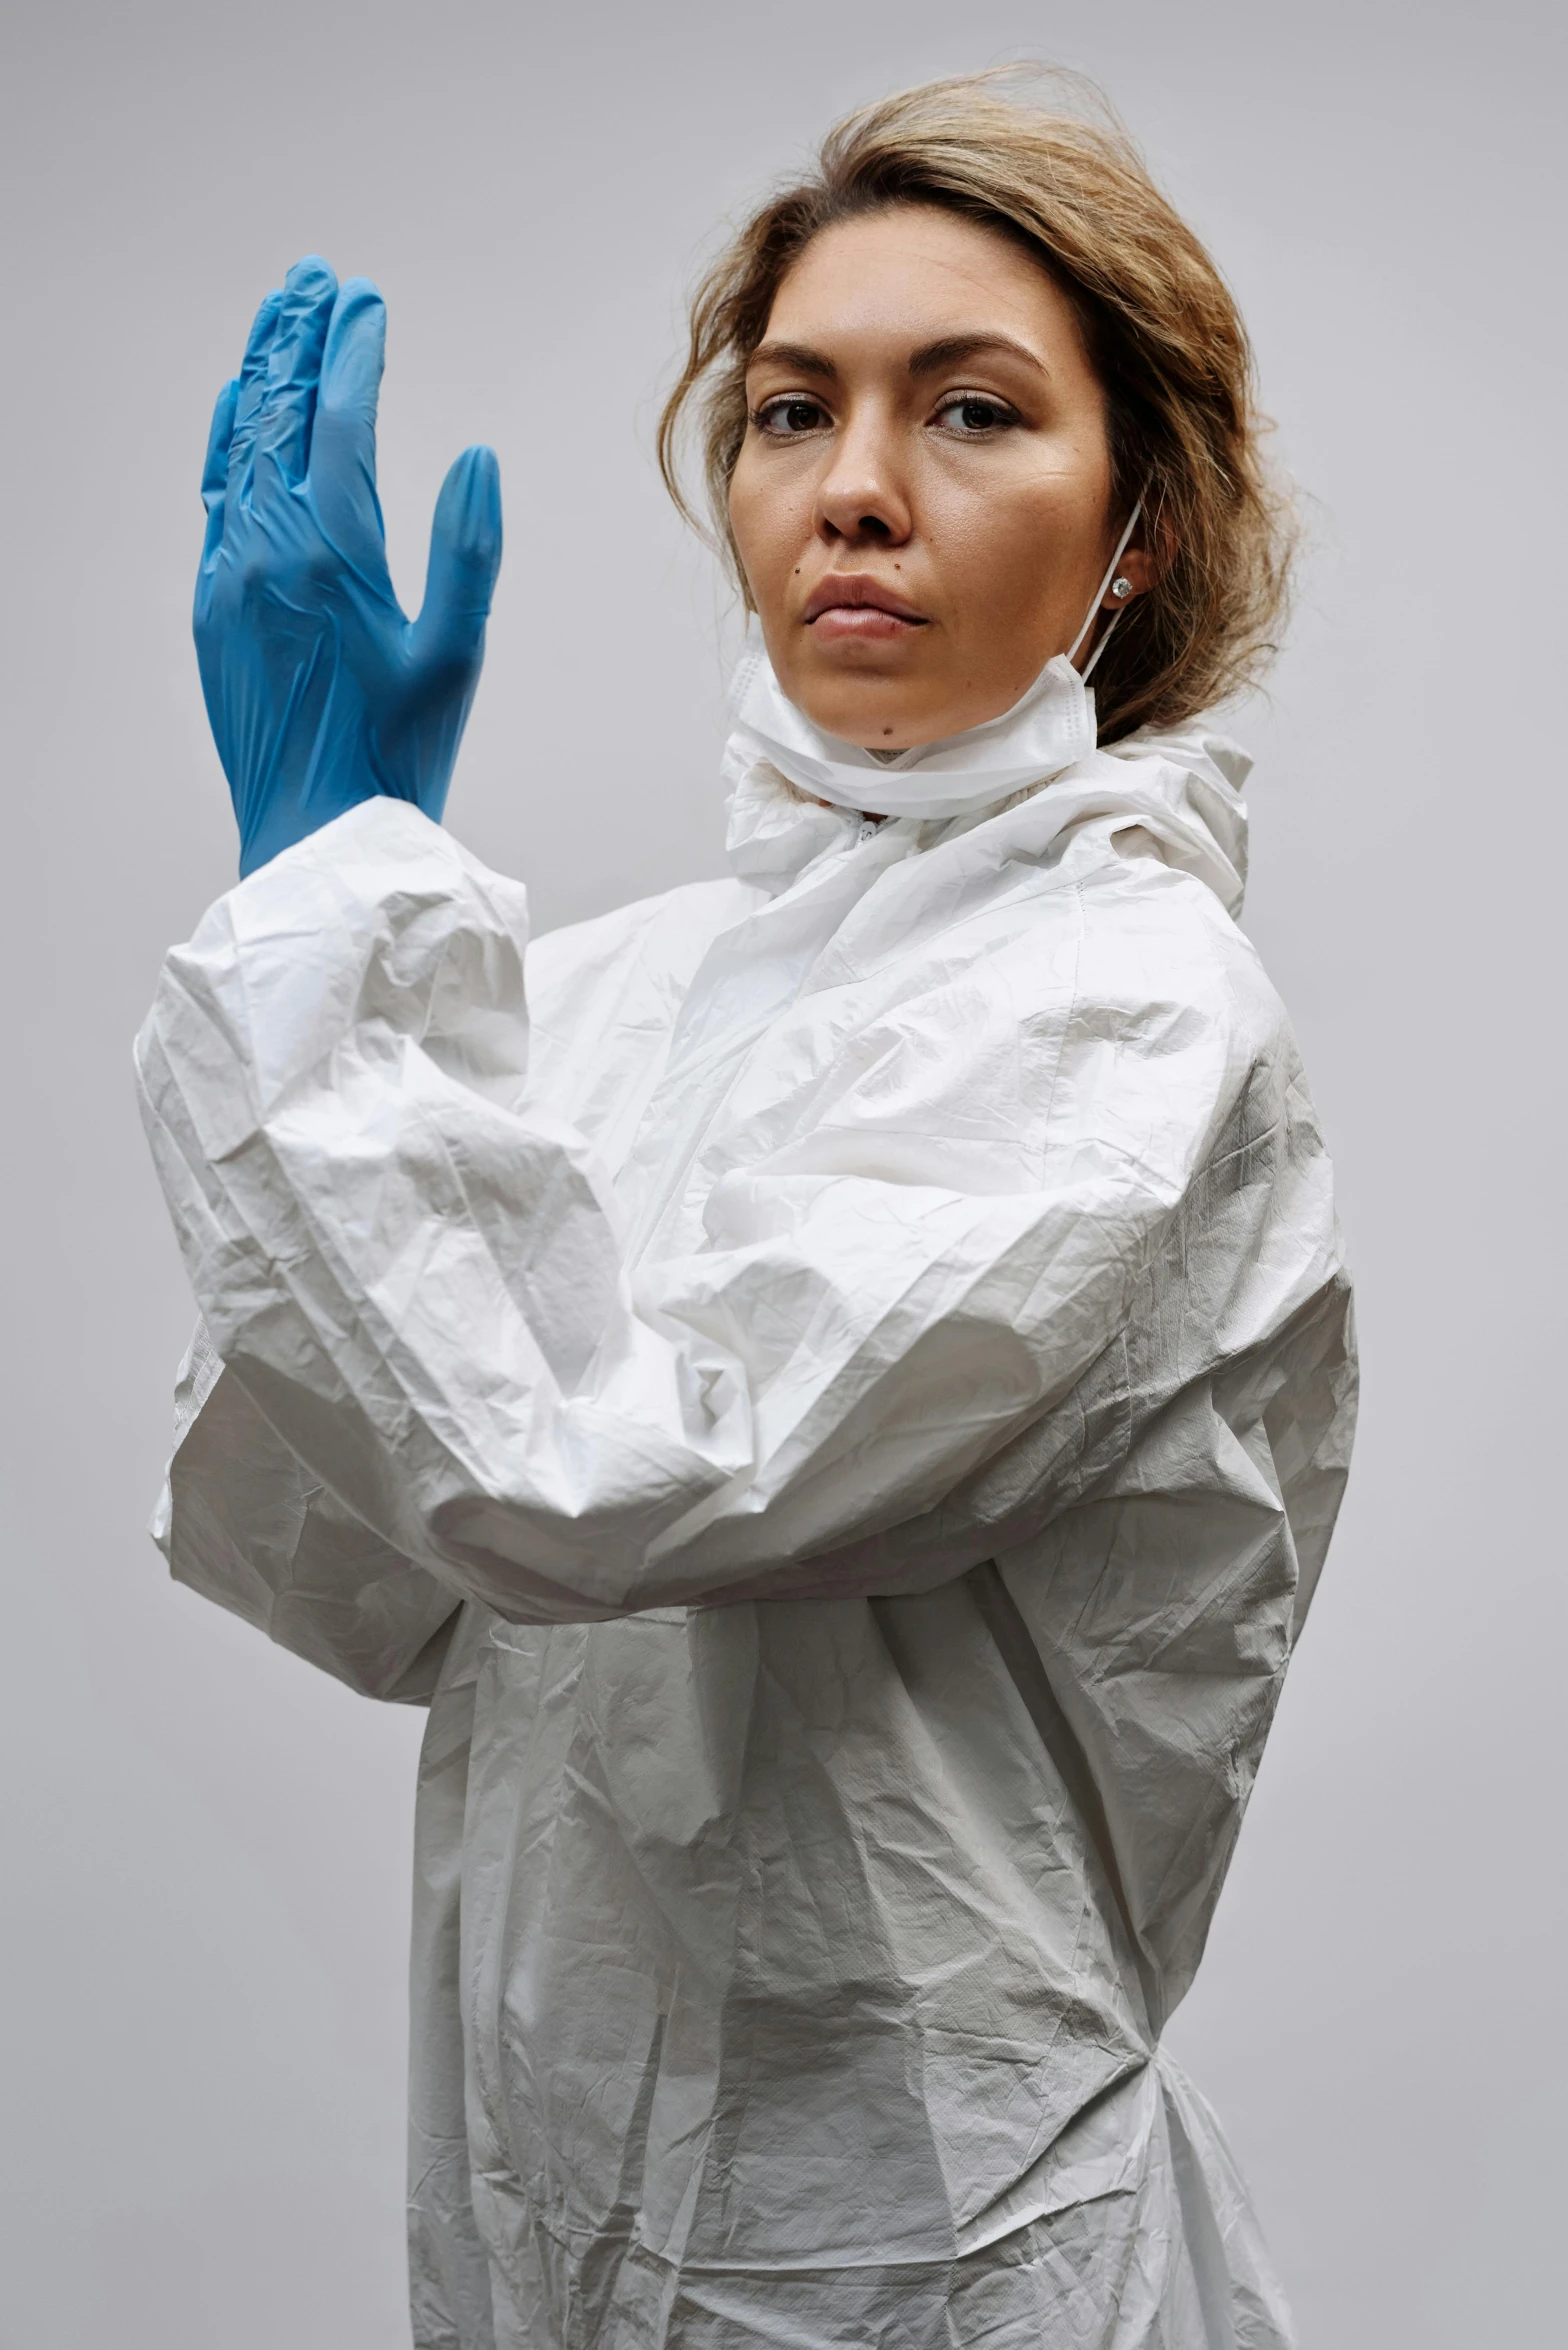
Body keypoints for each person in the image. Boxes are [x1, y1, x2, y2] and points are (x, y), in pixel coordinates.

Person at [137, 69, 1357, 2350]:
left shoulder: (1127, 1010)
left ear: (1139, 533)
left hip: (921, 2250)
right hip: (536, 2223)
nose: (857, 488)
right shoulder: (620, 988)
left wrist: (331, 930)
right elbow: (354, 1557)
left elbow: (589, 1471)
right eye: (792, 409)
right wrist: (352, 934)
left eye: (972, 410)